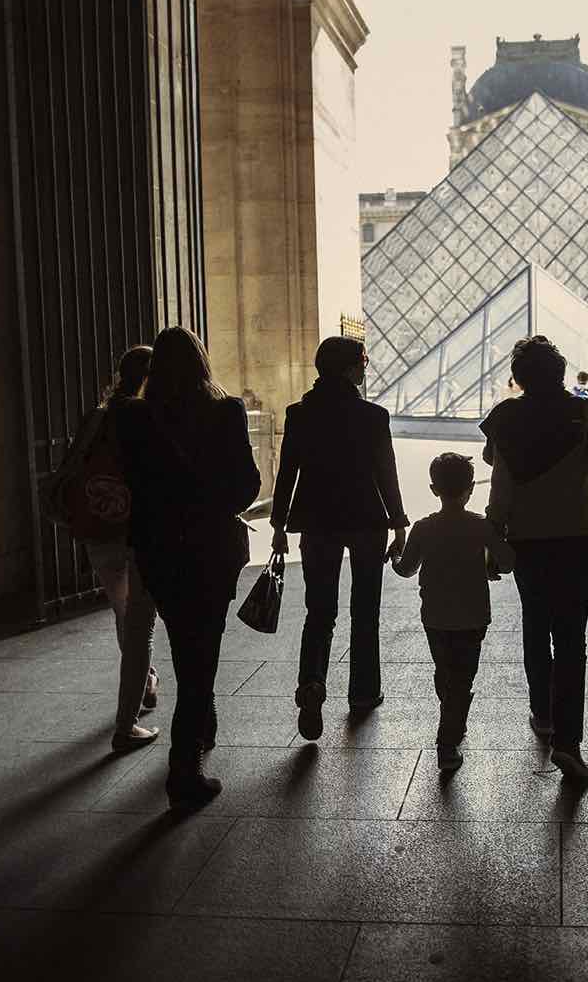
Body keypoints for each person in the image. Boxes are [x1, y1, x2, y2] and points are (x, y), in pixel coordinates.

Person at [113, 326, 259, 806]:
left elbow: (128, 482)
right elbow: (246, 487)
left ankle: (203, 719)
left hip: (158, 551)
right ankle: (184, 770)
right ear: (202, 361)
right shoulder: (225, 411)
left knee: (184, 646)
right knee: (202, 656)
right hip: (211, 549)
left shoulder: (134, 416)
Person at [481, 335, 588, 780]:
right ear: (560, 371)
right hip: (574, 536)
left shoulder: (505, 417)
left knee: (535, 624)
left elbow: (500, 482)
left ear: (519, 376)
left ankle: (542, 713)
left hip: (526, 537)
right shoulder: (583, 412)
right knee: (571, 637)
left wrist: (493, 536)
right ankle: (569, 741)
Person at [270, 336, 408, 741]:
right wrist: (399, 523)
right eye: (363, 361)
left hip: (316, 522)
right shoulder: (373, 416)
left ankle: (312, 683)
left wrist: (279, 525)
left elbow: (287, 475)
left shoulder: (299, 414)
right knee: (365, 611)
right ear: (349, 369)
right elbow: (387, 473)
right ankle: (363, 693)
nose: (366, 367)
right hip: (366, 520)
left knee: (319, 611)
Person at [391, 452, 516, 772]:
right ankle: (447, 739)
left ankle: (451, 715)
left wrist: (393, 558)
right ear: (471, 488)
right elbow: (508, 562)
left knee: (445, 671)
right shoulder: (480, 526)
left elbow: (406, 568)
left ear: (434, 489)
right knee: (463, 676)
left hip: (435, 616)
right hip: (473, 616)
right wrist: (491, 561)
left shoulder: (423, 527)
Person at [80, 346, 164, 720]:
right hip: (138, 527)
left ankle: (143, 678)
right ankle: (139, 687)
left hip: (100, 523)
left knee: (123, 610)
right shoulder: (147, 416)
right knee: (140, 618)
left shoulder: (98, 417)